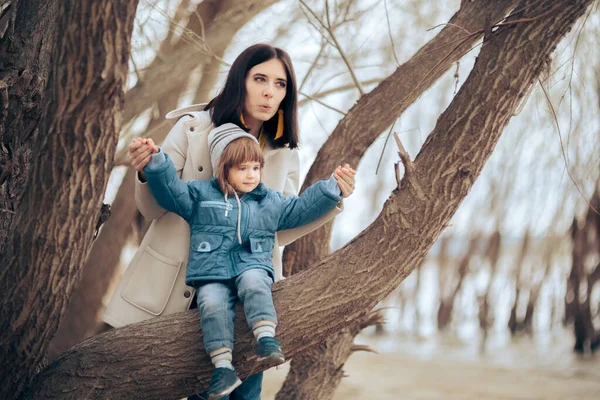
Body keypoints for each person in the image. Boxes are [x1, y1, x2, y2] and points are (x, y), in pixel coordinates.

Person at [102, 43, 356, 399]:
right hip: (181, 289)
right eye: (260, 79)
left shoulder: (284, 153)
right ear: (241, 80)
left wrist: (332, 197)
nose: (270, 91)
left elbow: (281, 227)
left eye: (280, 84)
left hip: (248, 298)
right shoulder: (193, 128)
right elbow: (157, 208)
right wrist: (148, 170)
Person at [142, 124, 347, 399]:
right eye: (242, 168)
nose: (251, 175)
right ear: (223, 168)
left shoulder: (269, 201)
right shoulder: (200, 196)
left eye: (255, 168)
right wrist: (156, 162)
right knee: (211, 302)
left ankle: (266, 339)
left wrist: (331, 187)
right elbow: (170, 190)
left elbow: (301, 209)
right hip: (211, 273)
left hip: (252, 265)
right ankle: (222, 367)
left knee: (254, 282)